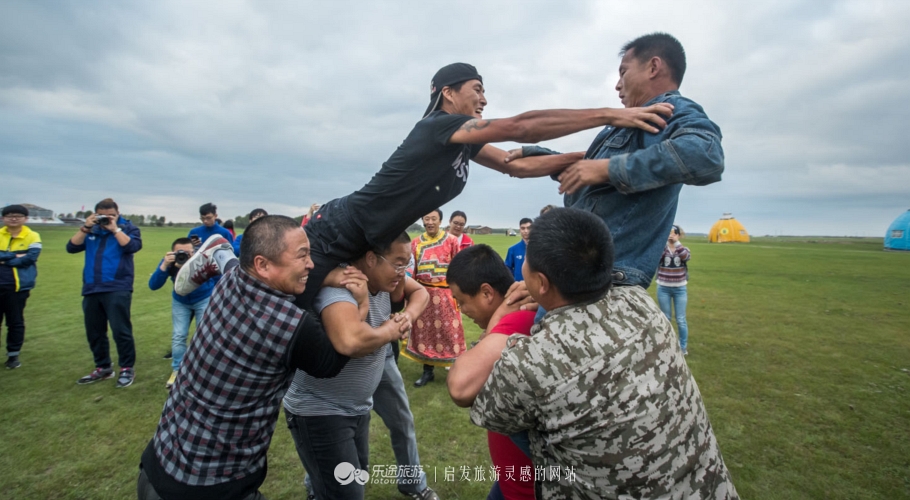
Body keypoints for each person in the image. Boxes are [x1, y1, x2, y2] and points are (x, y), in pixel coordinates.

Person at [468, 208, 738, 499]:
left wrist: (497, 322)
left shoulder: (532, 361)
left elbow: (467, 391)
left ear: (542, 282)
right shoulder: (639, 301)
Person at [138, 216, 393, 500]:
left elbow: (228, 261)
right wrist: (362, 305)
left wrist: (329, 277)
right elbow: (346, 347)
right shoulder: (290, 326)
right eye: (302, 255)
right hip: (211, 485)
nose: (312, 264)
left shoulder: (234, 279)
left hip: (158, 462)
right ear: (262, 264)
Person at [505, 32, 723, 291]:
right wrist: (539, 154)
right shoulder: (630, 121)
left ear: (653, 67)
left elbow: (705, 155)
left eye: (623, 72)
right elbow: (589, 168)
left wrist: (610, 169)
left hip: (606, 283)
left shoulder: (671, 111)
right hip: (575, 275)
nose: (618, 85)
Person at [283, 232, 435, 500]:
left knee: (355, 474)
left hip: (355, 407)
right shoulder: (342, 289)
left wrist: (406, 317)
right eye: (398, 263)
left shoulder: (387, 282)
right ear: (370, 259)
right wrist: (391, 329)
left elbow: (421, 292)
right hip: (321, 408)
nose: (403, 271)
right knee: (346, 490)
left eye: (407, 263)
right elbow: (351, 342)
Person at [446, 244, 535, 500]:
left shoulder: (517, 319)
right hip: (514, 479)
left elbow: (460, 387)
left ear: (486, 292)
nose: (462, 311)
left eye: (462, 301)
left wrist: (495, 324)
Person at [67, 198, 142, 388]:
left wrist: (115, 229)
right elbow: (72, 247)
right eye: (104, 216)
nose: (108, 219)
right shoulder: (93, 229)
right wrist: (86, 227)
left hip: (118, 286)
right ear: (96, 214)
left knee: (120, 330)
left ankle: (126, 368)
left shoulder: (127, 228)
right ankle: (103, 367)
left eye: (112, 215)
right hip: (92, 287)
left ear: (118, 214)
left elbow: (132, 246)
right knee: (94, 331)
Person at [403, 209, 464, 387]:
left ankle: (457, 372)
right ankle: (427, 371)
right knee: (425, 334)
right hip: (423, 295)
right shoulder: (415, 243)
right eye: (427, 219)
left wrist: (458, 293)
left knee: (451, 334)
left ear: (440, 221)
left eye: (433, 219)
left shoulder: (451, 241)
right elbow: (410, 270)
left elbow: (459, 268)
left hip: (446, 294)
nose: (430, 222)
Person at [148, 238, 217, 388]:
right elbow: (153, 285)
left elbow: (219, 278)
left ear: (194, 251)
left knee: (204, 335)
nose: (184, 255)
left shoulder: (201, 260)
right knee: (179, 335)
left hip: (203, 299)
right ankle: (177, 370)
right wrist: (165, 265)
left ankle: (203, 370)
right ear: (173, 252)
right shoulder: (169, 262)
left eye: (188, 252)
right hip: (180, 301)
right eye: (180, 252)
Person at [0, 204, 41, 370]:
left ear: (25, 218)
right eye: (9, 215)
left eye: (17, 215)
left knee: (15, 322)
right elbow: (21, 258)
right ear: (3, 218)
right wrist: (14, 255)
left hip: (18, 286)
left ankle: (13, 355)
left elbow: (30, 258)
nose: (13, 218)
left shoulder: (32, 236)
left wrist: (4, 259)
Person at [657, 224, 691, 355]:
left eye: (674, 233)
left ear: (679, 235)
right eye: (669, 232)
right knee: (666, 318)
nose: (671, 235)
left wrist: (676, 243)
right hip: (663, 288)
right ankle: (666, 346)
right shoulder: (663, 248)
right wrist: (664, 241)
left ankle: (682, 347)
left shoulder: (683, 249)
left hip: (680, 289)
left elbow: (686, 257)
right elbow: (656, 258)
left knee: (681, 319)